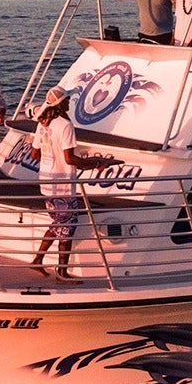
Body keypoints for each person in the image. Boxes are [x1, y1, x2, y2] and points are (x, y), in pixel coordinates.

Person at [29, 87, 116, 280]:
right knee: (67, 228)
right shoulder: (65, 125)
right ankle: (62, 272)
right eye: (67, 100)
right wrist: (96, 163)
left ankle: (38, 260)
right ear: (61, 103)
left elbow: (34, 154)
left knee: (58, 223)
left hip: (46, 183)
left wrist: (50, 154)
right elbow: (70, 159)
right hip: (62, 184)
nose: (69, 102)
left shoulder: (42, 123)